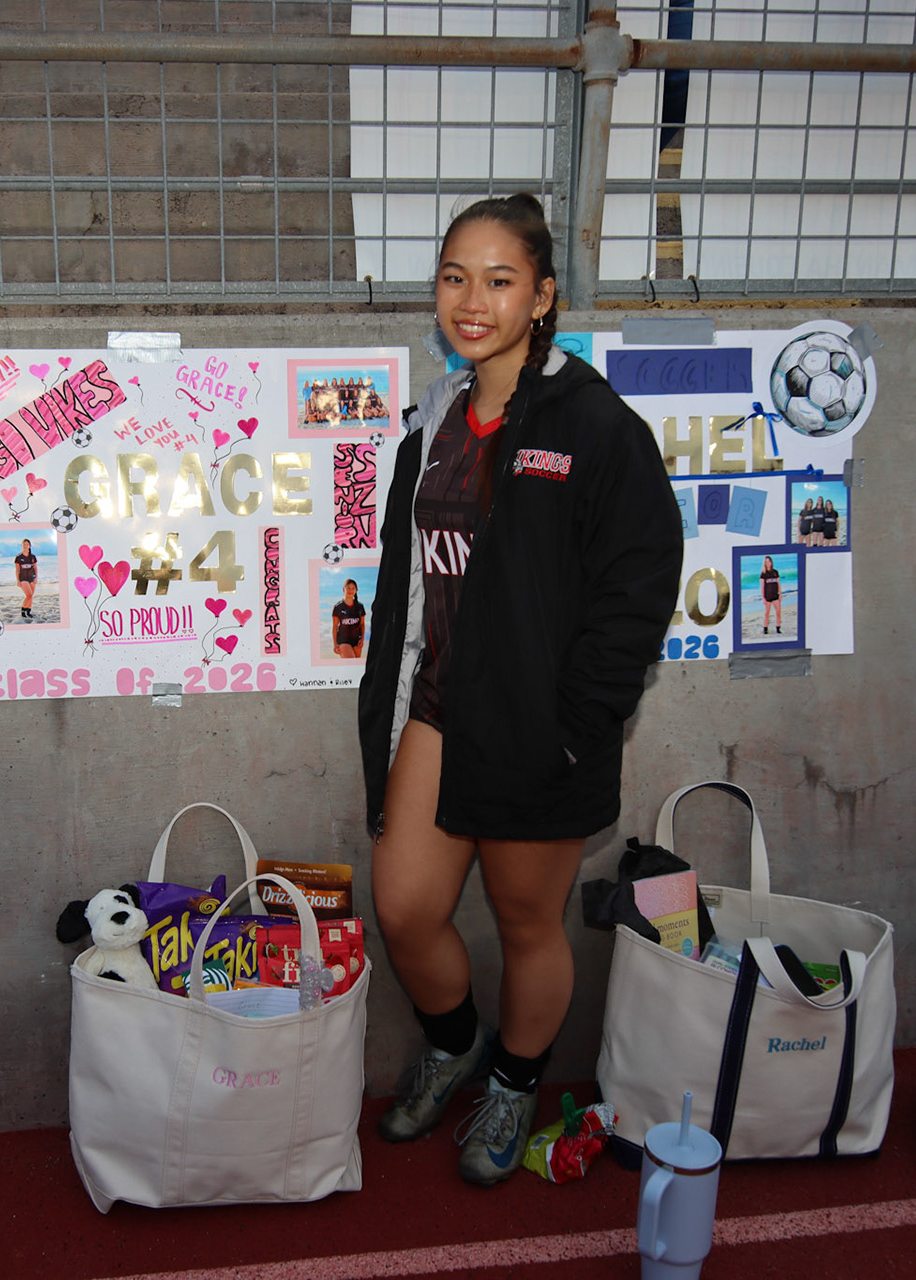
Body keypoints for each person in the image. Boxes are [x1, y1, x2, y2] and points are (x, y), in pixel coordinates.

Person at [357, 193, 682, 1185]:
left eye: (499, 280)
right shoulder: (434, 421)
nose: (472, 300)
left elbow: (638, 585)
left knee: (527, 922)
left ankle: (514, 1080)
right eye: (455, 277)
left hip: (541, 728)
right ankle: (456, 1042)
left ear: (542, 297)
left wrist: (578, 727)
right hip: (441, 705)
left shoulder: (594, 423)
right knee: (405, 907)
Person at [332, 578, 366, 658]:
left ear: (356, 590)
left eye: (353, 588)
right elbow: (335, 626)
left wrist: (362, 639)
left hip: (357, 641)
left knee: (356, 664)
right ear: (343, 589)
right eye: (348, 588)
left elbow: (362, 624)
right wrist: (335, 644)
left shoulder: (360, 606)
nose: (350, 590)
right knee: (351, 660)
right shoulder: (338, 607)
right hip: (343, 641)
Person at [15, 538, 38, 620]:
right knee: (29, 595)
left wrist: (36, 578)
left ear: (29, 546)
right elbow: (17, 570)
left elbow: (35, 568)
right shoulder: (18, 557)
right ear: (22, 546)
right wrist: (18, 580)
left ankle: (28, 612)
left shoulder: (33, 557)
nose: (25, 546)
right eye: (24, 544)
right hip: (23, 578)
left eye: (27, 544)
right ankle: (23, 610)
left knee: (31, 596)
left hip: (32, 577)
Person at [760, 555, 782, 634]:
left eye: (769, 561)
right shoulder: (763, 574)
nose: (768, 563)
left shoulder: (775, 572)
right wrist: (763, 598)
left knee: (778, 612)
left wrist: (780, 594)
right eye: (766, 562)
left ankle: (778, 628)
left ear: (771, 562)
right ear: (764, 564)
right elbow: (762, 587)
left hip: (775, 596)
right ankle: (765, 628)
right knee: (767, 613)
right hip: (768, 597)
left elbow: (778, 584)